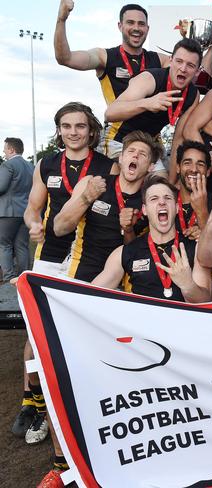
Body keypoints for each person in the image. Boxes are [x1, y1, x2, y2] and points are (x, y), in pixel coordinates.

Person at [20, 101, 116, 488]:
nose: (73, 132)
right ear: (59, 130)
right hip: (49, 257)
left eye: (80, 126)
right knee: (34, 339)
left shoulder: (106, 166)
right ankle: (35, 406)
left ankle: (79, 409)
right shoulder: (45, 164)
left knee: (80, 336)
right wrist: (31, 225)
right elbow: (32, 207)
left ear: (91, 130)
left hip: (88, 259)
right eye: (66, 126)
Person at [52, 131, 159, 282]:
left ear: (150, 167)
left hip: (120, 281)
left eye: (143, 154)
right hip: (78, 272)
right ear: (121, 158)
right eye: (131, 151)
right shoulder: (93, 183)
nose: (135, 156)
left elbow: (138, 253)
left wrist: (129, 230)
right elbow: (59, 228)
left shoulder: (151, 200)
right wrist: (85, 198)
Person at [92, 174, 212, 302]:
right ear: (144, 210)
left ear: (177, 208)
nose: (161, 202)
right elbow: (88, 297)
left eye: (167, 198)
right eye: (154, 199)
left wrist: (188, 285)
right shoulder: (124, 253)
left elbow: (206, 301)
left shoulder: (195, 248)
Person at [103, 38, 201, 164]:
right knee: (138, 174)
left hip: (148, 146)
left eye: (190, 65)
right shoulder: (150, 79)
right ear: (170, 61)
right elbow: (109, 113)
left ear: (197, 71)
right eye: (179, 61)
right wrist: (147, 103)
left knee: (162, 181)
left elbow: (178, 138)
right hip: (118, 141)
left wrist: (171, 179)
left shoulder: (193, 95)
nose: (183, 68)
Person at [54, 1, 167, 106]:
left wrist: (184, 36)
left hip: (151, 128)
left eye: (141, 24)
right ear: (120, 26)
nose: (136, 28)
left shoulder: (160, 60)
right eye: (130, 23)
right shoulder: (104, 56)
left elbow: (182, 67)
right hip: (117, 126)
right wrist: (61, 20)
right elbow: (65, 58)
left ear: (147, 28)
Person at [0, 137, 33, 281]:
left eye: (5, 149)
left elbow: (1, 187)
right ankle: (24, 276)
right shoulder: (31, 166)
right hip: (26, 211)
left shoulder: (8, 165)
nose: (3, 151)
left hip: (8, 212)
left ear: (12, 150)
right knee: (22, 245)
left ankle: (9, 277)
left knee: (4, 244)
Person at [173, 140, 212, 240]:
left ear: (208, 171)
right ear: (178, 168)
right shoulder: (166, 201)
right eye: (187, 163)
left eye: (200, 164)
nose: (194, 169)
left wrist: (202, 216)